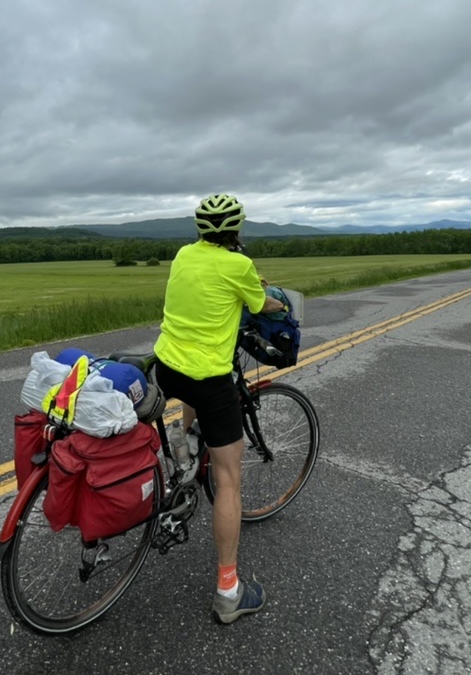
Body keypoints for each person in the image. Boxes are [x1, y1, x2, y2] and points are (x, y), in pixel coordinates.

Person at [153, 193, 287, 624]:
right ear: (237, 229)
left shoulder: (183, 255)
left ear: (200, 230)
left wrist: (248, 282)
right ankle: (229, 593)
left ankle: (186, 446)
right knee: (229, 480)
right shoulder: (238, 265)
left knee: (189, 380)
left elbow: (210, 285)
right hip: (208, 379)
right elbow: (260, 304)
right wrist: (278, 302)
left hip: (167, 368)